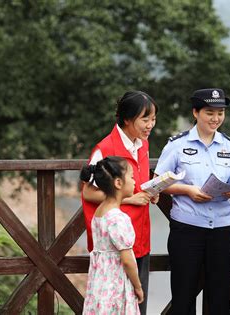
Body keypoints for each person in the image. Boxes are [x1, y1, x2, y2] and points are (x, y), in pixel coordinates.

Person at [155, 88, 230, 314]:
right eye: (209, 113)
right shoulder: (176, 145)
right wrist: (187, 190)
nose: (216, 118)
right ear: (195, 112)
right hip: (187, 229)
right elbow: (159, 183)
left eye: (220, 113)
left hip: (222, 230)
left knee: (220, 295)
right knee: (183, 294)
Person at [81, 91, 158, 315]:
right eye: (145, 119)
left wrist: (152, 190)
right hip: (115, 246)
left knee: (136, 303)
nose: (150, 125)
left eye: (153, 119)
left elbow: (138, 182)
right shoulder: (105, 149)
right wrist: (130, 198)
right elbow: (88, 193)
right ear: (127, 119)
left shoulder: (142, 144)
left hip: (140, 234)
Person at [80, 156, 143, 314]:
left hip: (99, 284)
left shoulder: (100, 212)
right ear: (118, 183)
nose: (134, 181)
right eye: (131, 177)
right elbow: (127, 261)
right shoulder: (118, 219)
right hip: (116, 285)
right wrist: (138, 286)